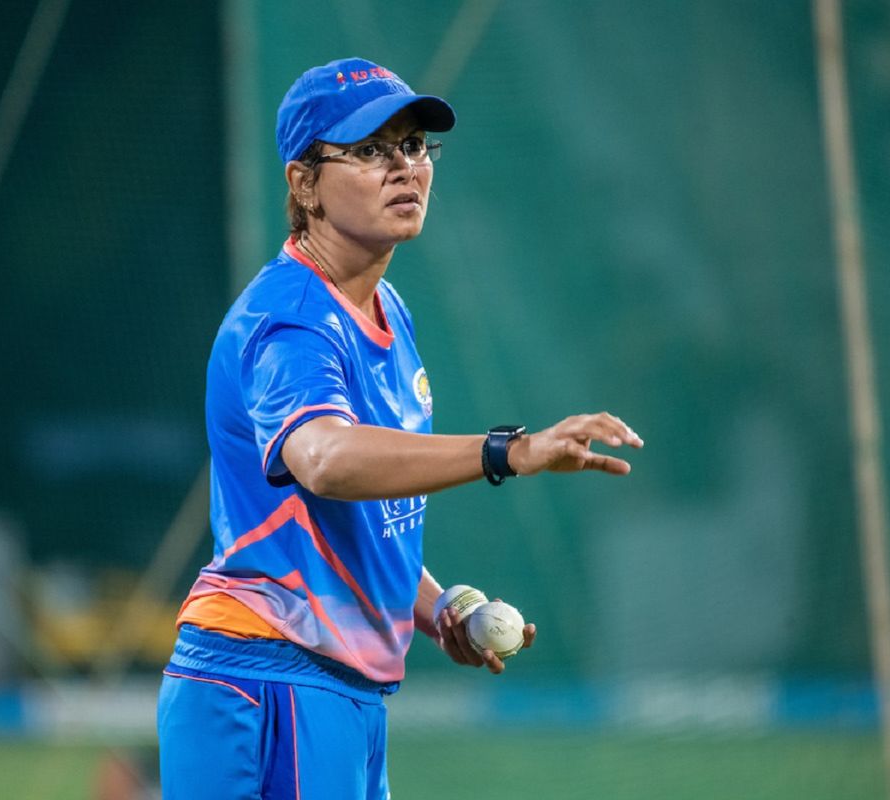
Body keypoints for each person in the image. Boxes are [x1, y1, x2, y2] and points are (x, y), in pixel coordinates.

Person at [156, 57, 642, 799]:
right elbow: (325, 461)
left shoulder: (391, 313)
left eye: (415, 146)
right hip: (266, 678)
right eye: (371, 150)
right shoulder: (290, 319)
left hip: (336, 687)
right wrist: (508, 450)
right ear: (302, 184)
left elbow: (349, 519)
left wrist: (437, 607)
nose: (404, 168)